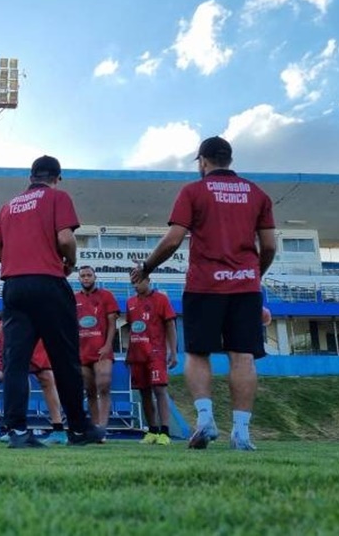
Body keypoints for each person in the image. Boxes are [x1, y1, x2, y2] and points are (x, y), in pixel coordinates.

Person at [131, 136, 276, 451]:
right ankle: (241, 433)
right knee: (243, 355)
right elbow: (269, 246)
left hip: (205, 285)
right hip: (245, 286)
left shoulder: (193, 191)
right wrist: (252, 275)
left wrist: (147, 267)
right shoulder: (257, 194)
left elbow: (172, 240)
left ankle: (205, 419)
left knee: (198, 353)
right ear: (229, 160)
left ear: (203, 161)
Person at [0, 155, 102, 448]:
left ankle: (15, 430)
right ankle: (78, 428)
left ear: (30, 177)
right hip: (48, 282)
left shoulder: (8, 206)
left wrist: (17, 260)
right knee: (64, 359)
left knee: (15, 361)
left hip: (14, 286)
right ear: (57, 177)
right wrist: (70, 262)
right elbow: (65, 239)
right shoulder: (57, 198)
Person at [0, 319, 68, 445]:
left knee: (46, 377)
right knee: (16, 379)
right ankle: (15, 429)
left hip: (36, 331)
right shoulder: (1, 324)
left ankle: (58, 429)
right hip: (14, 345)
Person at [125, 276, 177, 445]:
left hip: (155, 353)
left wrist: (173, 352)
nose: (135, 285)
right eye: (133, 282)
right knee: (143, 392)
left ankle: (165, 432)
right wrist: (128, 353)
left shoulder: (161, 299)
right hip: (137, 354)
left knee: (159, 390)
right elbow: (131, 328)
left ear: (147, 280)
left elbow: (170, 325)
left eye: (138, 281)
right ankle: (152, 431)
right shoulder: (130, 302)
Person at [75, 266, 119, 437]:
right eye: (83, 276)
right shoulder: (74, 298)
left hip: (102, 350)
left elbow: (112, 323)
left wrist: (108, 345)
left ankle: (103, 427)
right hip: (82, 352)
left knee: (104, 385)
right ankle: (95, 429)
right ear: (79, 279)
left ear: (95, 277)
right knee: (90, 391)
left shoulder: (106, 295)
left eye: (89, 275)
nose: (86, 278)